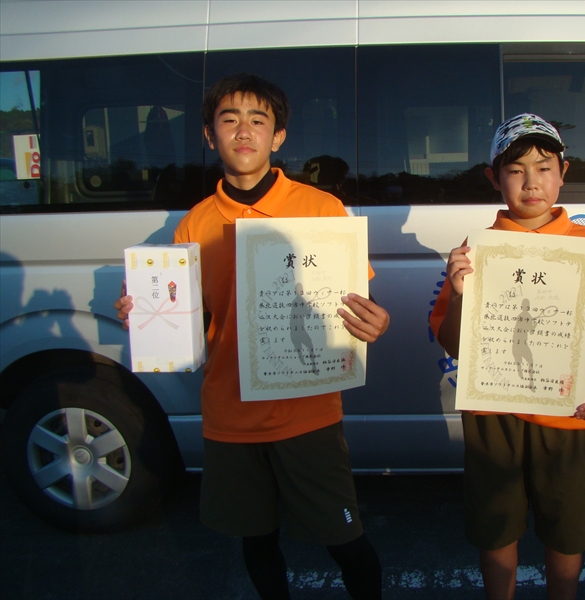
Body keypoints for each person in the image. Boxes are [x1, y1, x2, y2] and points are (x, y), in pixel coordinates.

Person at [115, 73, 388, 600]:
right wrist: (146, 311)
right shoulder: (194, 225)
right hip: (230, 415)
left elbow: (357, 302)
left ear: (278, 136)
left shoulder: (321, 209)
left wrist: (374, 321)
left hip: (307, 413)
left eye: (258, 120)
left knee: (346, 541)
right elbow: (192, 321)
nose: (244, 131)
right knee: (257, 543)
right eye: (229, 119)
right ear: (208, 134)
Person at [429, 113, 585, 600]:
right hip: (493, 414)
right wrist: (458, 294)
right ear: (494, 178)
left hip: (570, 413)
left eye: (543, 168)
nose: (531, 182)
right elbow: (452, 342)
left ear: (563, 173)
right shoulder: (476, 250)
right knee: (496, 532)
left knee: (567, 535)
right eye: (515, 170)